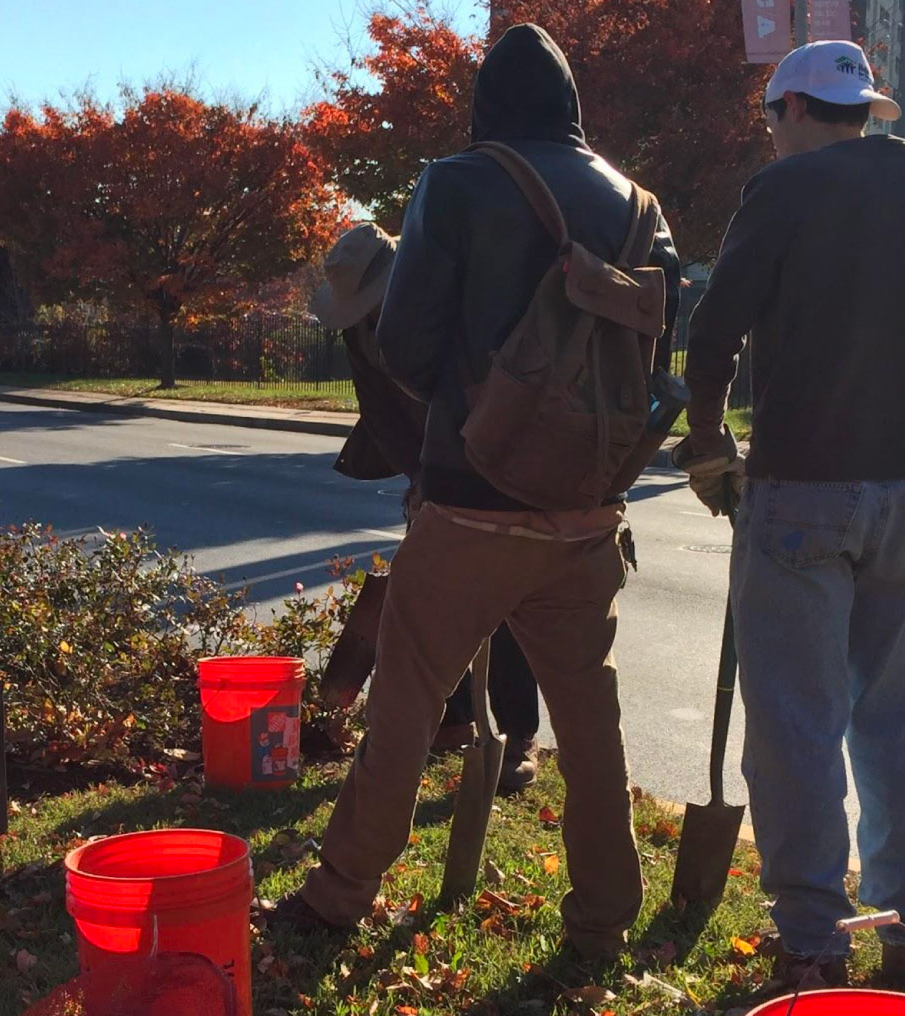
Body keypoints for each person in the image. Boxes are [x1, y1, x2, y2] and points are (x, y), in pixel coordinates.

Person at [280, 24, 680, 962]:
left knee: (406, 710)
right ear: (573, 104)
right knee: (591, 726)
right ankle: (603, 919)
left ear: (486, 106)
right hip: (587, 515)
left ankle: (338, 897)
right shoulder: (640, 205)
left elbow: (407, 346)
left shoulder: (455, 184)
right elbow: (657, 355)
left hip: (469, 506)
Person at [671, 40, 905, 997]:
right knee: (898, 727)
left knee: (796, 727)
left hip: (804, 489)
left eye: (769, 118)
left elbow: (714, 330)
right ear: (863, 108)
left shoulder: (785, 188)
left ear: (795, 107)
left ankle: (815, 941)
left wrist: (708, 436)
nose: (769, 134)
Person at [310, 223, 543, 790]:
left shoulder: (448, 307)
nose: (367, 317)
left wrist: (458, 478)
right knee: (434, 599)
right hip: (430, 467)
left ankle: (519, 734)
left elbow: (472, 395)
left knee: (504, 603)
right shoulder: (360, 333)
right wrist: (419, 479)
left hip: (489, 459)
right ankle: (457, 718)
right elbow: (383, 412)